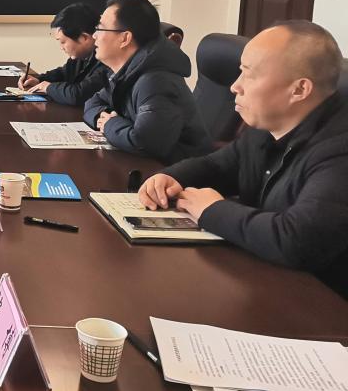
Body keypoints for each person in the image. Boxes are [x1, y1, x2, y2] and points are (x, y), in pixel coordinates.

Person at [139, 21, 348, 297]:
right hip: (262, 281)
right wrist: (170, 177)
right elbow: (218, 165)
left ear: (299, 90)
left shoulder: (339, 149)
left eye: (249, 75)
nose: (235, 86)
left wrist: (213, 210)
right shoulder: (267, 127)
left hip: (320, 305)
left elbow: (297, 241)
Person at [83, 0, 211, 163]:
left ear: (125, 38)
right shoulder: (127, 71)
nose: (94, 36)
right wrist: (106, 120)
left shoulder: (156, 81)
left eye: (100, 28)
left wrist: (110, 124)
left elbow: (146, 143)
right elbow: (92, 104)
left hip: (174, 172)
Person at [21, 2, 109, 106]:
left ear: (84, 38)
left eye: (63, 42)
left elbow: (78, 95)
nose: (61, 47)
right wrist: (39, 80)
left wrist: (48, 87)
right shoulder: (80, 56)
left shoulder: (107, 59)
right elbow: (63, 73)